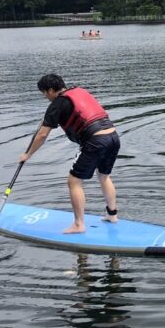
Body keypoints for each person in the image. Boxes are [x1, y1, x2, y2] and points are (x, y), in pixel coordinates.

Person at [19, 74, 120, 234]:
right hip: (113, 136)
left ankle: (79, 225)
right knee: (103, 176)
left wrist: (28, 154)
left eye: (45, 94)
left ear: (51, 90)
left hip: (95, 141)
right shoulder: (79, 91)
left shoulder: (57, 104)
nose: (46, 97)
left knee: (74, 181)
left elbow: (42, 135)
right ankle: (112, 215)